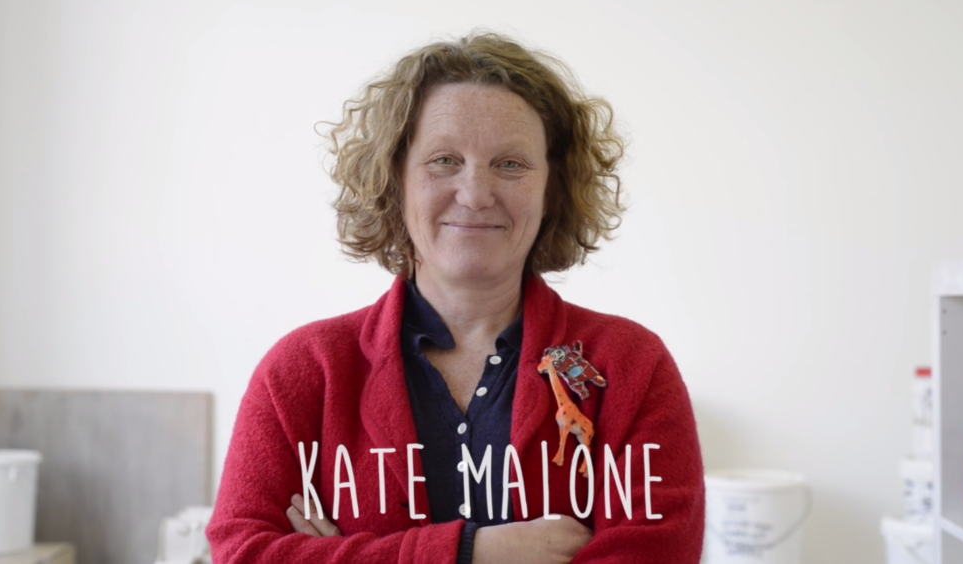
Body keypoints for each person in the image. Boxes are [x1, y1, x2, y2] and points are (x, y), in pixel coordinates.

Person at [206, 32, 705, 564]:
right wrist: (474, 552)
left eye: (511, 164)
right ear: (394, 178)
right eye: (444, 160)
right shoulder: (305, 370)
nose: (475, 194)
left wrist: (348, 555)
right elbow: (241, 552)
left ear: (553, 187)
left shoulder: (632, 367)